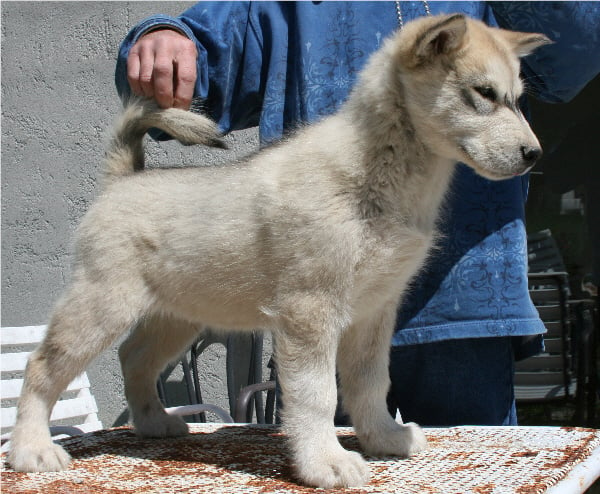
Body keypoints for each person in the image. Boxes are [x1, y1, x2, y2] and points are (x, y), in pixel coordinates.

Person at [115, 1, 600, 426]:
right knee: (325, 468)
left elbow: (576, 50)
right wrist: (165, 38)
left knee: (475, 479)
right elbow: (199, 68)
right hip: (326, 290)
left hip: (466, 298)